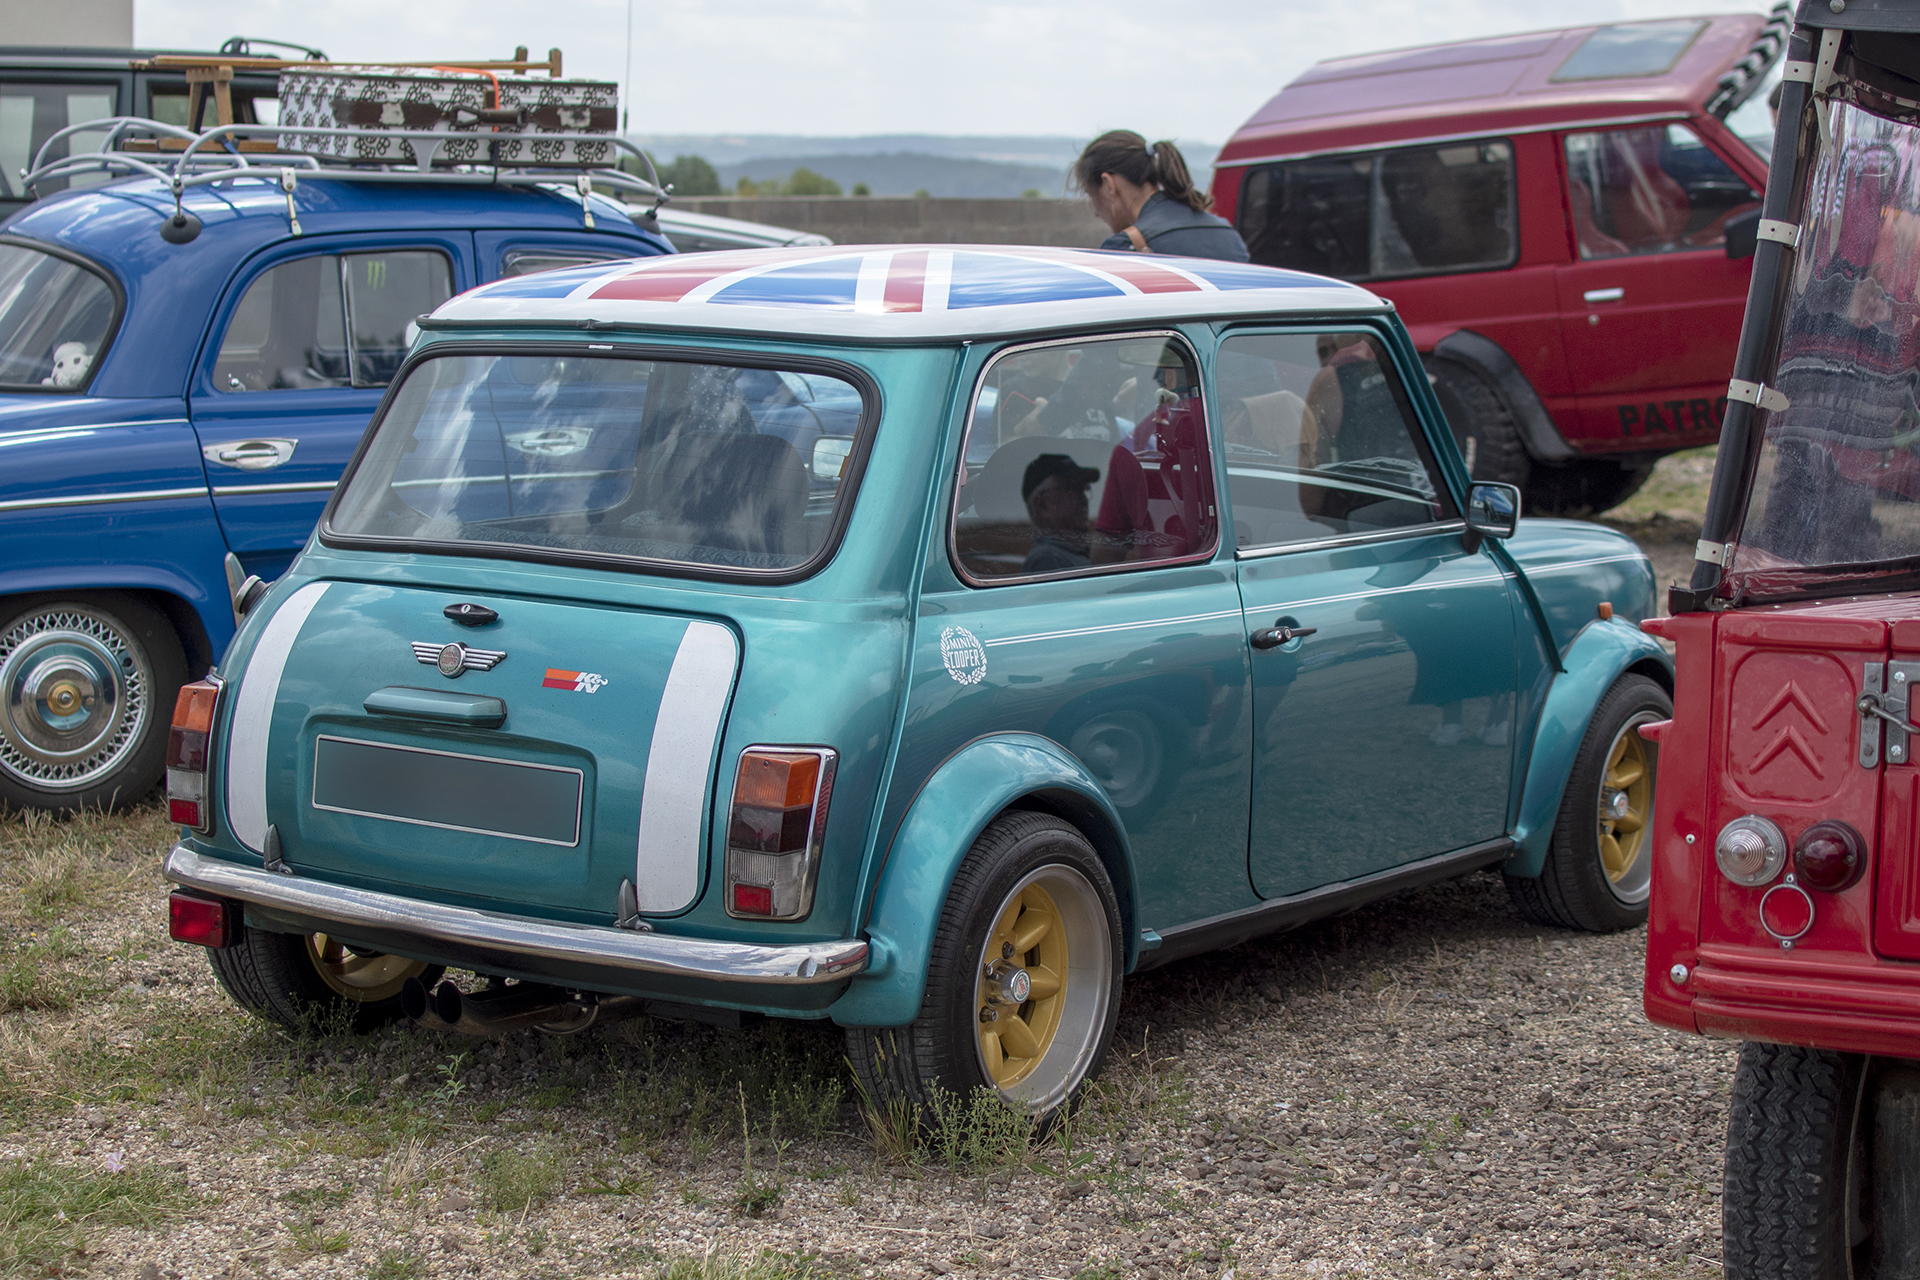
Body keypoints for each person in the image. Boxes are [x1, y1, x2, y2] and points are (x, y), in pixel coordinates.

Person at [1072, 131, 1250, 262]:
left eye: (1091, 194)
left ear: (1109, 185)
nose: (1096, 211)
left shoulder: (1125, 247)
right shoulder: (1228, 234)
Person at [1020, 453, 1099, 573]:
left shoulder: (1080, 554)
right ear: (1042, 506)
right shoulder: (1047, 560)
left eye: (1084, 489)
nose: (1083, 499)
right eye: (1071, 490)